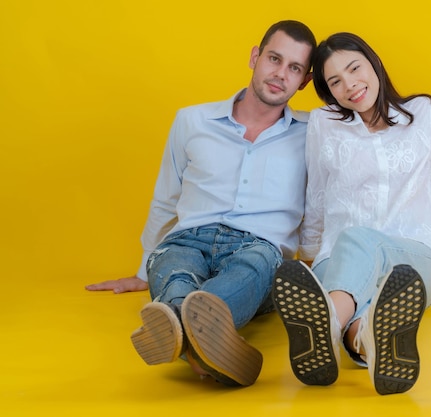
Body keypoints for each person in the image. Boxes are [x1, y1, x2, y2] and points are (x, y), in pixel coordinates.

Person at [85, 20, 317, 387]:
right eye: (274, 58)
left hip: (259, 249)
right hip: (186, 240)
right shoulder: (192, 120)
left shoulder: (314, 132)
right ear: (255, 57)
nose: (280, 74)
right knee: (173, 271)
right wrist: (144, 271)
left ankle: (178, 331)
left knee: (253, 269)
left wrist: (319, 265)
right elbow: (166, 198)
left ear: (304, 81)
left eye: (294, 68)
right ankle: (201, 344)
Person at [271, 32, 431, 396]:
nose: (350, 85)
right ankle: (363, 342)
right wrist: (308, 263)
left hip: (413, 259)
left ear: (373, 63)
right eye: (335, 82)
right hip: (337, 260)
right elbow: (317, 196)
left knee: (359, 239)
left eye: (354, 68)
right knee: (357, 280)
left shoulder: (424, 112)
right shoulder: (324, 122)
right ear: (328, 91)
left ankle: (324, 324)